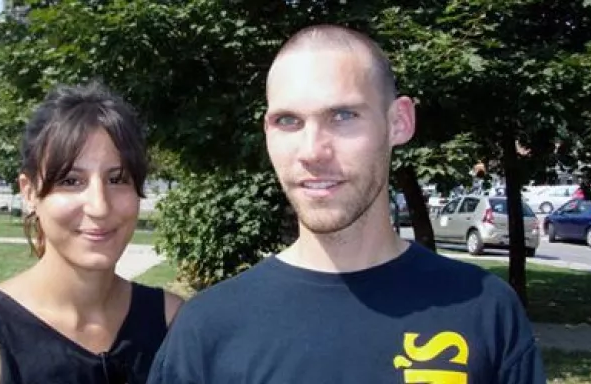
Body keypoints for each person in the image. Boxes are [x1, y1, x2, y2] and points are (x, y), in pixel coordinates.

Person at [148, 25, 545, 383]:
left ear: (399, 122)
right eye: (289, 121)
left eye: (342, 115)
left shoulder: (484, 311)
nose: (312, 151)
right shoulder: (209, 329)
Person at [0, 82, 183, 384]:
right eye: (71, 181)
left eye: (118, 178)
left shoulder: (173, 323)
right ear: (29, 192)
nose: (99, 206)